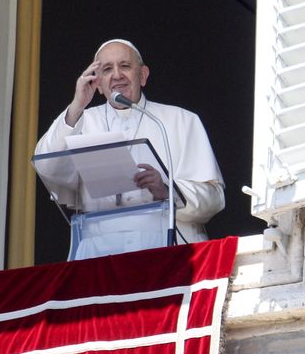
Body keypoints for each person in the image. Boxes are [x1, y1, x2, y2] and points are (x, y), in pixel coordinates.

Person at [35, 38, 225, 259]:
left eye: (125, 66)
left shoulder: (181, 120)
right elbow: (47, 167)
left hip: (166, 251)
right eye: (107, 69)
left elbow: (214, 198)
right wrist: (77, 105)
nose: (117, 75)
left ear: (143, 75)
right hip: (99, 255)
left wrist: (168, 189)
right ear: (97, 82)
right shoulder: (81, 121)